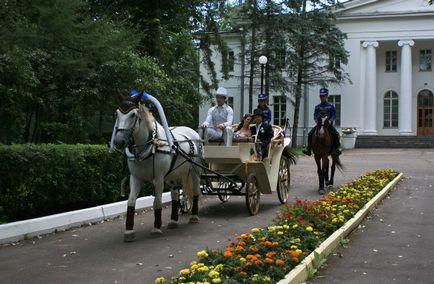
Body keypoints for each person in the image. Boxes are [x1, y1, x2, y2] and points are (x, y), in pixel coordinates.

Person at [302, 87, 341, 156]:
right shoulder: (317, 107)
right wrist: (317, 121)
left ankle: (337, 148)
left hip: (328, 125)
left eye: (323, 96)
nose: (322, 97)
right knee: (310, 134)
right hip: (319, 125)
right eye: (321, 96)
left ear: (326, 96)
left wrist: (330, 121)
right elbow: (315, 116)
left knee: (336, 134)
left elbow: (334, 115)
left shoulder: (331, 106)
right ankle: (309, 149)